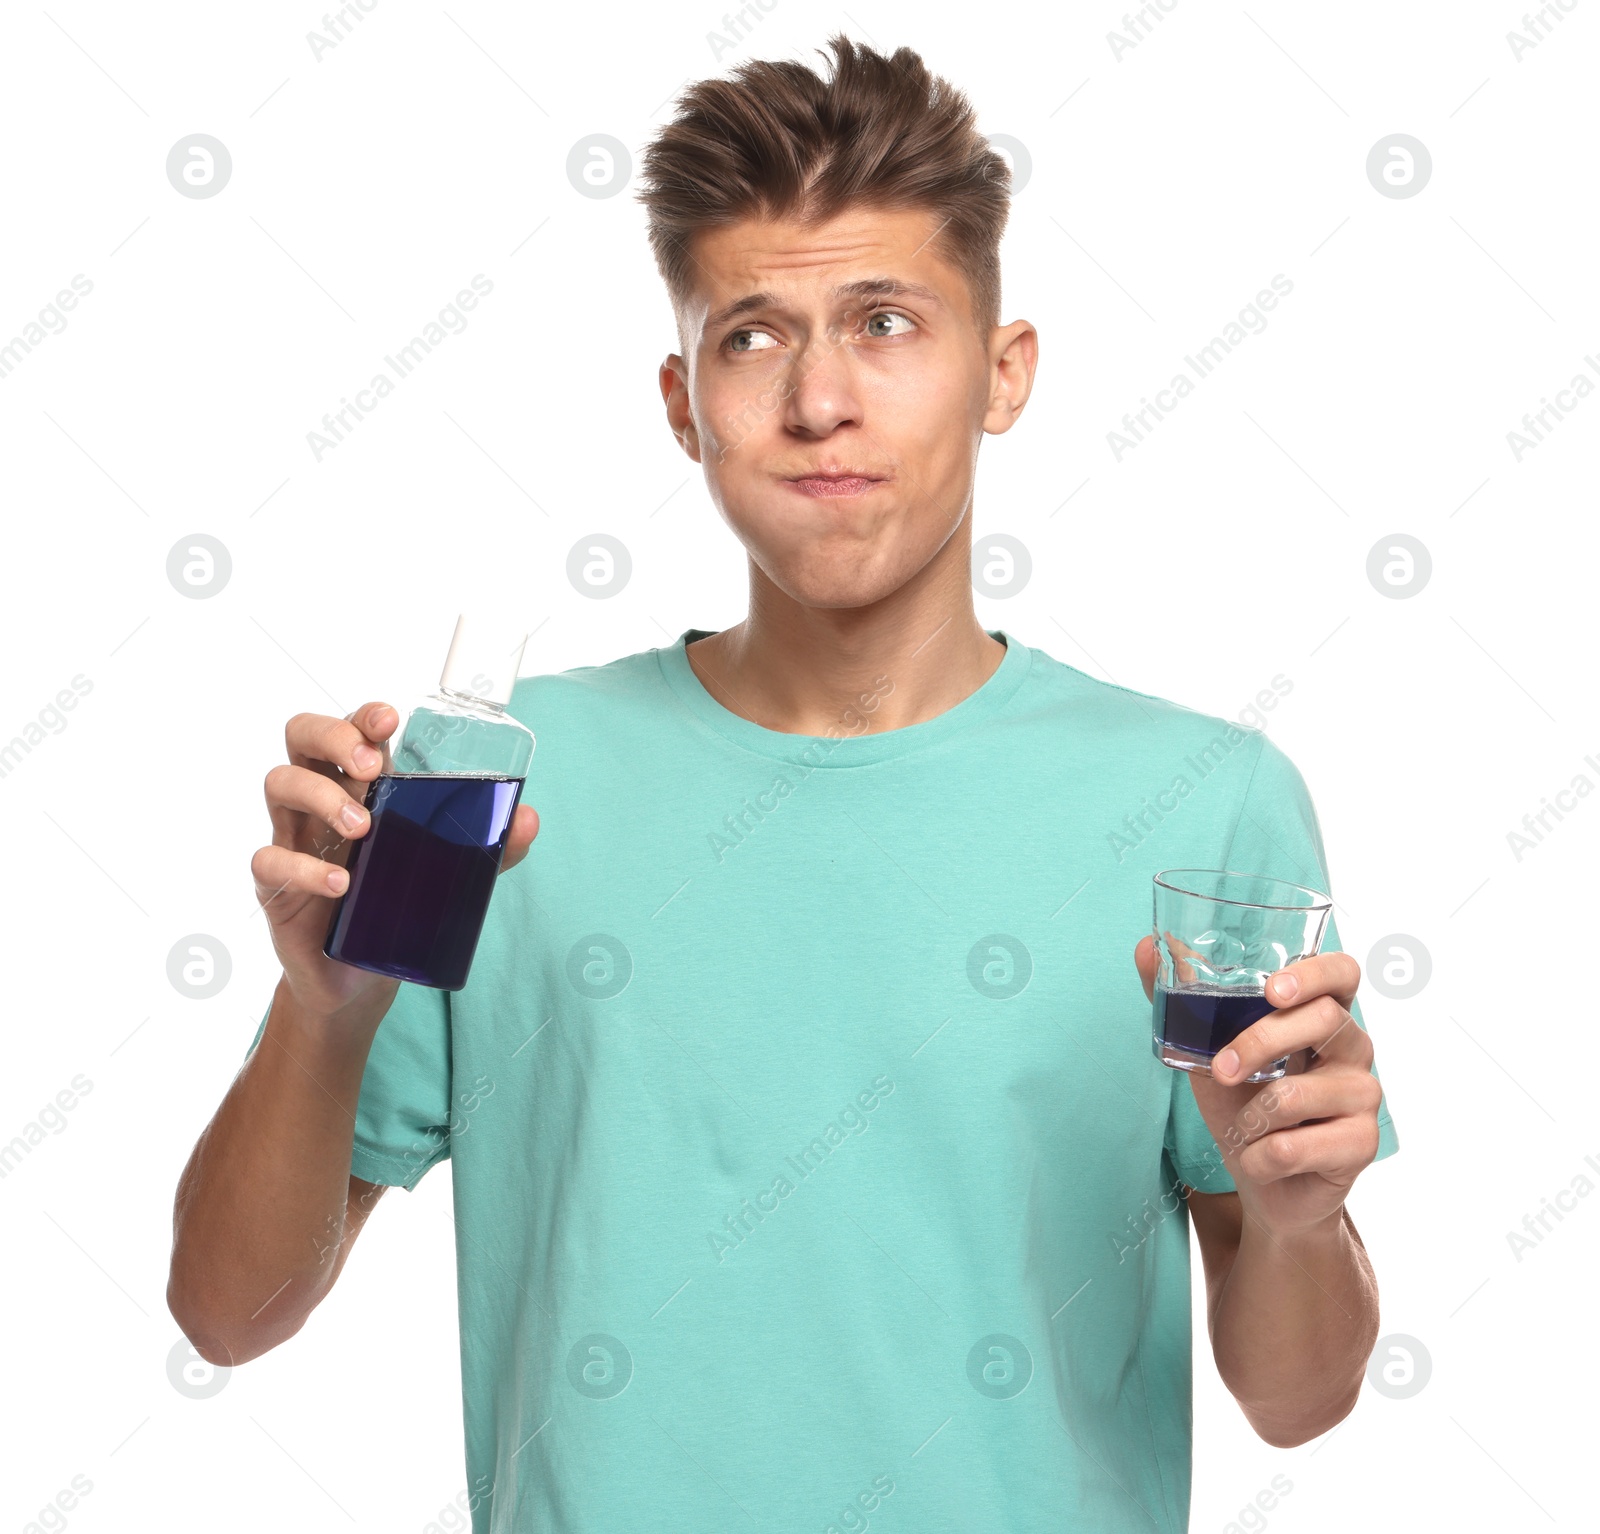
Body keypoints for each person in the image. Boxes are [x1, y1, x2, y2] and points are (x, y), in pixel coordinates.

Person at [168, 34, 1399, 1532]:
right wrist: (323, 1009)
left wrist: (1299, 1217)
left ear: (1003, 371)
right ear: (683, 401)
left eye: (885, 321)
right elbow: (231, 1316)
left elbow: (1299, 1395)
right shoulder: (480, 801)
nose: (820, 399)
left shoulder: (1202, 798)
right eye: (753, 335)